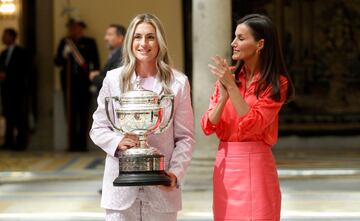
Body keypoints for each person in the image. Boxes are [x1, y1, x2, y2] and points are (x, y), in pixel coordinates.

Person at [90, 13, 195, 221]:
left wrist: (174, 173)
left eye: (150, 37)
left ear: (159, 42)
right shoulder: (113, 80)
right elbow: (98, 128)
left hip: (162, 191)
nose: (143, 43)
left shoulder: (178, 83)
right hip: (119, 193)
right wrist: (118, 141)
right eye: (137, 37)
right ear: (130, 41)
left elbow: (185, 138)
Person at [200, 14, 295, 221]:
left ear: (260, 44)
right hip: (224, 165)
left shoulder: (277, 84)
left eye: (241, 38)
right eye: (235, 37)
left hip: (257, 166)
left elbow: (254, 124)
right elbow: (207, 126)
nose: (233, 43)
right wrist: (224, 96)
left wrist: (232, 87)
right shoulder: (229, 77)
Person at [55, 18, 100, 151]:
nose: (73, 30)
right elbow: (57, 62)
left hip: (84, 85)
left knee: (83, 115)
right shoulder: (65, 42)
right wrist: (64, 54)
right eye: (71, 28)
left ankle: (82, 144)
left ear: (81, 28)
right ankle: (72, 144)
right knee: (70, 114)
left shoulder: (89, 42)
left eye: (75, 27)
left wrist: (93, 82)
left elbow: (95, 62)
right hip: (69, 86)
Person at [0, 28, 31, 151]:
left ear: (12, 37)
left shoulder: (21, 52)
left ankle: (21, 143)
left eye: (5, 35)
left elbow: (24, 71)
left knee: (20, 117)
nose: (3, 38)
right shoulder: (3, 53)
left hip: (18, 91)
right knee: (8, 116)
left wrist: (8, 75)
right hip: (6, 90)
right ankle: (9, 142)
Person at [89, 24, 126, 91]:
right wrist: (100, 73)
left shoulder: (122, 56)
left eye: (109, 35)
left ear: (120, 38)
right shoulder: (115, 54)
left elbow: (113, 82)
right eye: (106, 35)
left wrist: (94, 77)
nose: (105, 38)